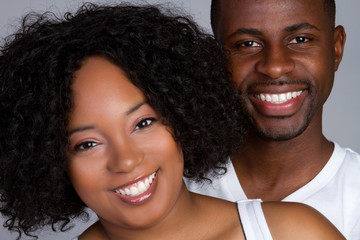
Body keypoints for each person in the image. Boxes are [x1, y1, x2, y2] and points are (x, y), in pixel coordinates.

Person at [0, 3, 345, 240]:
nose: (127, 160)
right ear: (49, 163)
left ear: (183, 118)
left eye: (143, 123)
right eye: (87, 144)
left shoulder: (293, 232)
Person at [185, 0, 360, 239]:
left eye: (300, 40)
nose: (275, 66)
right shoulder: (171, 186)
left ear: (336, 48)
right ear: (215, 57)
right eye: (248, 44)